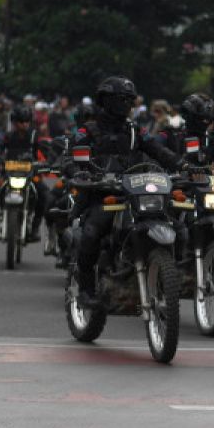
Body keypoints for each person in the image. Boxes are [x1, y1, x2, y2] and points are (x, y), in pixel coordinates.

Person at [70, 77, 180, 308]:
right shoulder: (88, 130)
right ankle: (85, 289)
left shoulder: (134, 130)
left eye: (130, 100)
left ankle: (166, 275)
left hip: (134, 192)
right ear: (107, 100)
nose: (127, 104)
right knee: (91, 232)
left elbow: (158, 150)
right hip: (101, 194)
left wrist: (182, 166)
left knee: (174, 221)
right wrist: (79, 171)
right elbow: (71, 157)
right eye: (122, 99)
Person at [0, 105, 49, 241]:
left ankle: (35, 227)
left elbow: (46, 151)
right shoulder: (8, 137)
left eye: (27, 121)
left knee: (44, 194)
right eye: (21, 121)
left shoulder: (34, 136)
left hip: (31, 175)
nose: (24, 124)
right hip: (8, 174)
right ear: (15, 122)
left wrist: (49, 160)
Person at [162, 93, 214, 180]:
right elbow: (157, 155)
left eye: (210, 120)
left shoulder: (212, 140)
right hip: (174, 187)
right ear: (191, 117)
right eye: (205, 119)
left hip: (205, 187)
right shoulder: (170, 136)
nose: (208, 123)